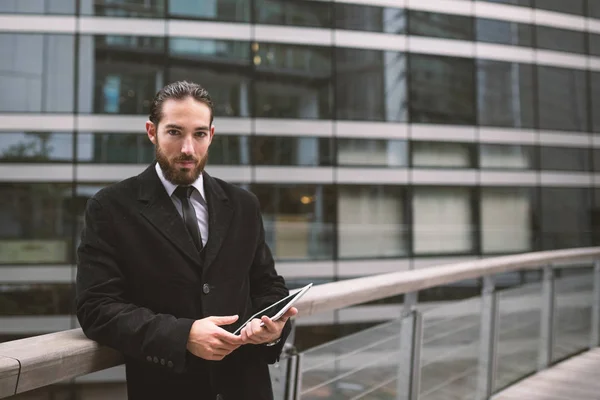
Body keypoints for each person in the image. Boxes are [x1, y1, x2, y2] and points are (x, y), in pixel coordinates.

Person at [76, 81, 297, 400]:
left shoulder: (243, 204)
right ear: (152, 132)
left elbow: (267, 285)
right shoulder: (109, 206)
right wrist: (183, 335)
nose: (187, 149)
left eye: (199, 134)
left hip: (247, 388)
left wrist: (272, 328)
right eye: (175, 132)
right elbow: (96, 307)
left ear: (212, 135)